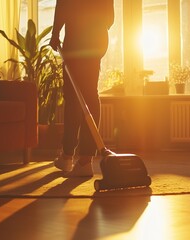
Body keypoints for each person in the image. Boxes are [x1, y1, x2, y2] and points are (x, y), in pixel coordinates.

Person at [49, 0, 114, 177]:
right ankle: (85, 159)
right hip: (97, 40)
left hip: (77, 40)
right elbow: (110, 19)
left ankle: (68, 156)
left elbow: (63, 5)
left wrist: (55, 34)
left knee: (73, 98)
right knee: (90, 94)